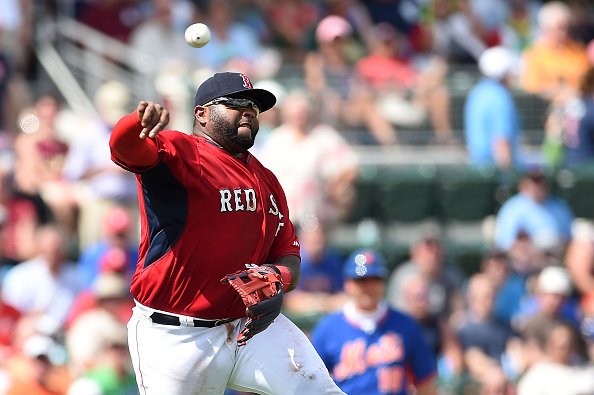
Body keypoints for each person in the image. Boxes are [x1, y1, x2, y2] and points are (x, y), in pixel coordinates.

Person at [108, 71, 345, 395]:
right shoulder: (181, 151)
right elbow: (125, 149)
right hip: (175, 337)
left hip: (249, 329)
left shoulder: (267, 179)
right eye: (235, 103)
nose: (248, 110)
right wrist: (136, 124)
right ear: (201, 113)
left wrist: (276, 279)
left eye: (254, 106)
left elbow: (288, 255)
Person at [311, 248, 438, 395]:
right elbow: (312, 381)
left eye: (375, 279)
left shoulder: (405, 324)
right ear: (347, 284)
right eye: (361, 280)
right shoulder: (328, 328)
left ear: (383, 283)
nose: (368, 287)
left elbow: (426, 381)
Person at [464, 46, 523, 170]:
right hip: (495, 173)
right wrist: (508, 178)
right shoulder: (500, 97)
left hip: (480, 170)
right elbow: (501, 142)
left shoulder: (478, 91)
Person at [494, 170, 574, 253]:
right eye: (533, 183)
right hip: (522, 259)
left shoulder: (559, 206)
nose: (536, 187)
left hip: (554, 256)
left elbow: (569, 238)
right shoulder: (511, 208)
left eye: (540, 182)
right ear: (523, 184)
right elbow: (505, 243)